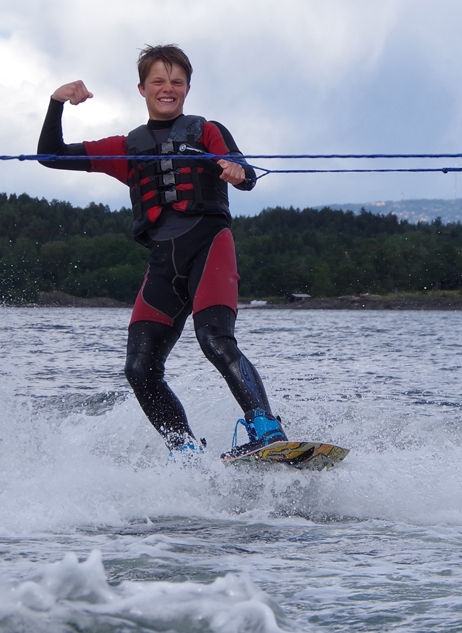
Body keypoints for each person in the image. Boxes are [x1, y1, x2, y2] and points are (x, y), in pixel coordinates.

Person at [37, 44, 287, 460]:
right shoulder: (126, 147)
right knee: (139, 368)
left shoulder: (207, 131)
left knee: (214, 340)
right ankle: (184, 451)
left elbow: (246, 176)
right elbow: (51, 155)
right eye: (158, 81)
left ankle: (267, 428)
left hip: (209, 247)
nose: (167, 88)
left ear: (187, 88)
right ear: (142, 88)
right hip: (162, 264)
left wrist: (236, 170)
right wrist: (56, 102)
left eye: (176, 81)